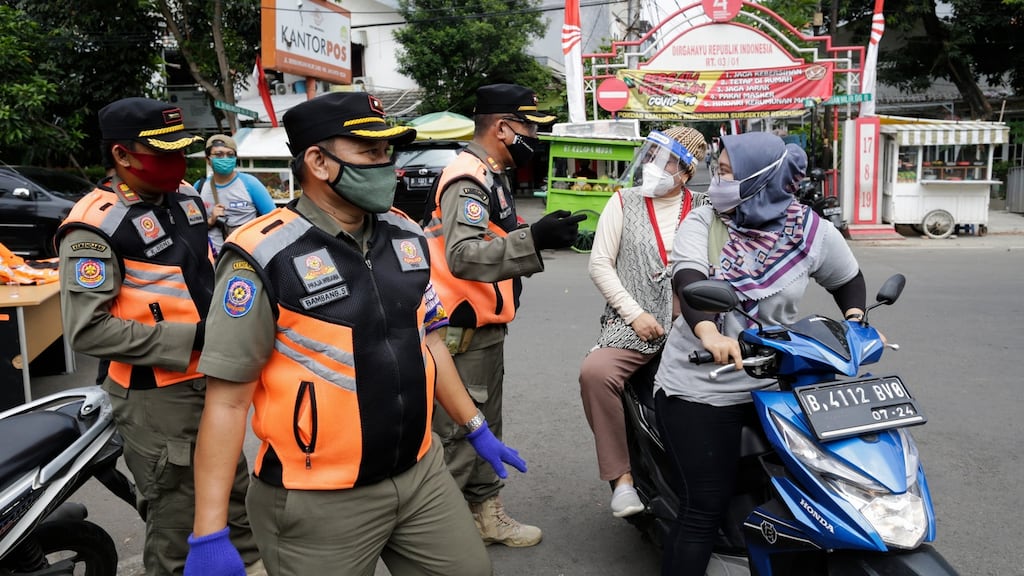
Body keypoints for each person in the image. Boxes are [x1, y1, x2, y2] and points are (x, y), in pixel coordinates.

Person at [184, 92, 527, 576]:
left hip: (420, 473)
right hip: (316, 499)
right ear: (319, 162)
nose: (386, 166)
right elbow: (227, 402)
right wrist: (210, 531)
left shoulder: (405, 234)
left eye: (388, 152)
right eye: (370, 153)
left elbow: (429, 343)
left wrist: (475, 427)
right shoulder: (262, 256)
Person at [56, 97, 261, 576]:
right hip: (158, 397)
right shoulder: (93, 226)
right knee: (179, 522)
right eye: (163, 152)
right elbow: (89, 329)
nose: (178, 162)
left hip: (214, 377)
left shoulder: (186, 197)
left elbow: (201, 277)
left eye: (182, 151)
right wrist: (195, 338)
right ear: (122, 157)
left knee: (234, 501)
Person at [653, 132, 867, 576]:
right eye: (719, 170)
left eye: (727, 173)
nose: (718, 181)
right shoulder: (705, 222)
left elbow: (847, 278)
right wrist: (709, 331)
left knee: (821, 487)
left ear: (760, 179)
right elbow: (690, 281)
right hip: (700, 387)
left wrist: (857, 319)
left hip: (775, 383)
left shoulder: (808, 230)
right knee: (704, 509)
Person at [422, 83, 585, 547]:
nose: (533, 134)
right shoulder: (467, 177)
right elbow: (463, 255)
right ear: (502, 127)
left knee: (485, 430)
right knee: (456, 436)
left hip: (485, 329)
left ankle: (488, 516)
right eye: (529, 125)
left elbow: (498, 239)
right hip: (459, 333)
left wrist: (539, 235)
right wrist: (533, 241)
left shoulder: (493, 174)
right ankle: (440, 544)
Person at [577, 126, 707, 518]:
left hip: (696, 327)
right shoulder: (623, 202)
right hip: (632, 324)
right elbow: (599, 264)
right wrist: (634, 314)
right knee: (595, 374)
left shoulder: (704, 207)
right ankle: (622, 482)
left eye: (664, 159)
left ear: (685, 171)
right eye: (650, 154)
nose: (652, 165)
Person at [195, 134, 276, 255]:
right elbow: (191, 227)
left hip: (246, 257)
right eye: (219, 154)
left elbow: (273, 220)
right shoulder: (199, 187)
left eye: (230, 154)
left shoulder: (250, 183)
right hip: (212, 260)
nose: (225, 158)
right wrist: (211, 220)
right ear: (207, 159)